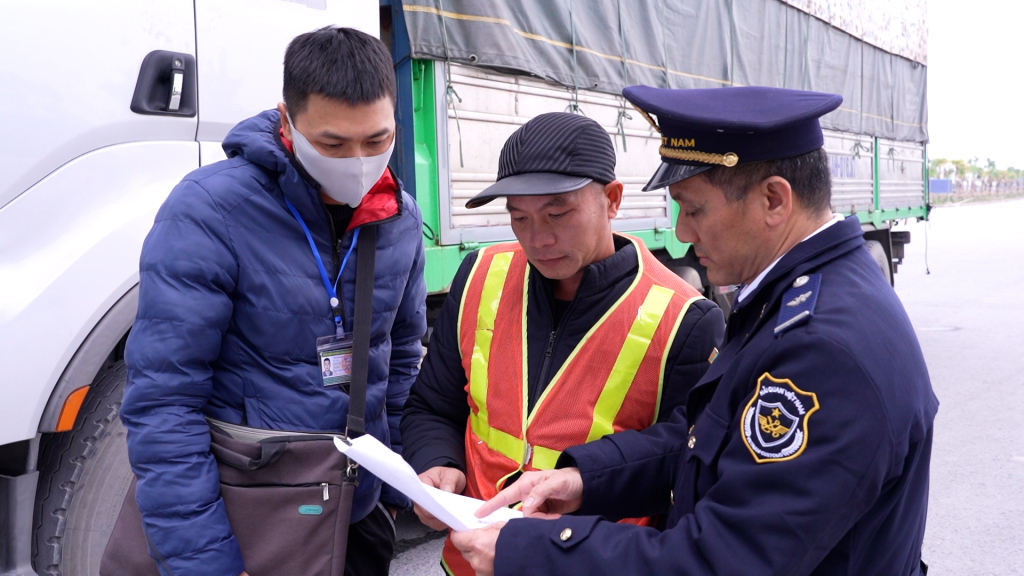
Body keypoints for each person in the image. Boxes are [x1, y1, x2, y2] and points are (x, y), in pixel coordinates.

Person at [454, 86, 938, 576]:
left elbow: (725, 560)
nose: (682, 233)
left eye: (694, 209)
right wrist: (584, 480)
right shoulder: (798, 297)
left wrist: (532, 550)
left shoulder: (824, 348)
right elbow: (703, 443)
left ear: (774, 199)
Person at [119, 27, 426, 576]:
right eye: (332, 144)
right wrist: (204, 560)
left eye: (377, 141)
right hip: (257, 517)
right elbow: (164, 401)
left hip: (357, 512)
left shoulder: (398, 216)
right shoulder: (211, 210)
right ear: (287, 123)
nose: (357, 162)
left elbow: (399, 354)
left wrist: (411, 475)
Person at [400, 112, 725, 575]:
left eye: (558, 214)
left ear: (612, 199)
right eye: (519, 218)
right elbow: (432, 406)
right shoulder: (479, 276)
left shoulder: (684, 319)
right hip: (471, 560)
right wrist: (436, 461)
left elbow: (682, 463)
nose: (539, 239)